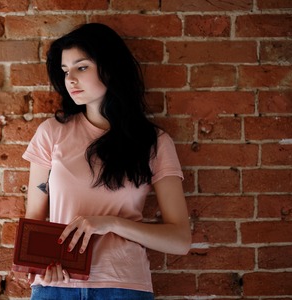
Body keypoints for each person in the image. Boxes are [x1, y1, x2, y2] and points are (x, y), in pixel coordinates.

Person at [22, 23, 191, 300]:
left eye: (82, 67)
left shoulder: (155, 142)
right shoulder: (51, 133)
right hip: (57, 288)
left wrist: (110, 223)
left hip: (124, 287)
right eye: (65, 71)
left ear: (110, 68)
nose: (71, 79)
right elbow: (34, 221)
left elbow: (180, 240)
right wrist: (41, 265)